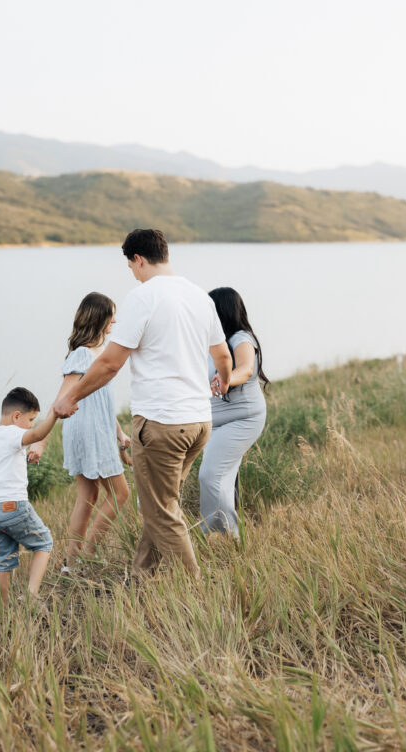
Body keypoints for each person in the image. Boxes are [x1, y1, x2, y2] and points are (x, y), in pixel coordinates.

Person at [52, 228, 232, 579]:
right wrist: (222, 380)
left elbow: (109, 363)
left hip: (162, 425)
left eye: (131, 266)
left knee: (161, 513)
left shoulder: (142, 297)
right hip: (198, 423)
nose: (132, 274)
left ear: (138, 259)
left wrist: (69, 398)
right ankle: (140, 578)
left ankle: (195, 590)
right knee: (160, 505)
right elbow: (222, 355)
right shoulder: (199, 297)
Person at [53, 292, 132, 573]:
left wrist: (120, 435)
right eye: (111, 314)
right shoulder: (83, 354)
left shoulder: (94, 355)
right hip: (87, 431)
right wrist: (40, 438)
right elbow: (63, 397)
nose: (115, 320)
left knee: (88, 496)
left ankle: (72, 564)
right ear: (99, 318)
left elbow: (101, 404)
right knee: (120, 494)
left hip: (95, 428)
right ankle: (87, 553)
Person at [199, 287, 269, 536]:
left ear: (221, 311)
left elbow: (246, 369)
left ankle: (218, 533)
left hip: (242, 418)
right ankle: (228, 536)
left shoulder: (241, 337)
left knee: (209, 475)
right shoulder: (212, 343)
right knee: (223, 481)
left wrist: (227, 379)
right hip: (214, 423)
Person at [0, 386, 58, 605]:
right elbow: (37, 434)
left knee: (4, 560)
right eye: (31, 419)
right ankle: (32, 595)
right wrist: (55, 414)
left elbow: (9, 459)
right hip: (12, 506)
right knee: (44, 543)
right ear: (17, 416)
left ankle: (4, 608)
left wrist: (28, 452)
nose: (32, 424)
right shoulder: (14, 432)